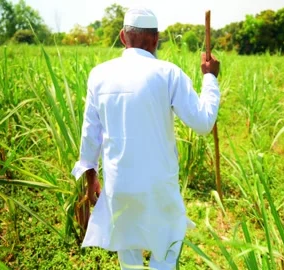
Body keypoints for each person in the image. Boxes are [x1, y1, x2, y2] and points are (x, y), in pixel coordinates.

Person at [71, 6, 220, 270]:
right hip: (158, 186)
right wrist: (209, 78)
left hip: (119, 183)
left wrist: (91, 177)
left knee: (128, 250)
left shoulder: (99, 75)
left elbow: (90, 133)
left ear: (122, 37)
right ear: (155, 38)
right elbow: (203, 122)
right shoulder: (168, 73)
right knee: (166, 247)